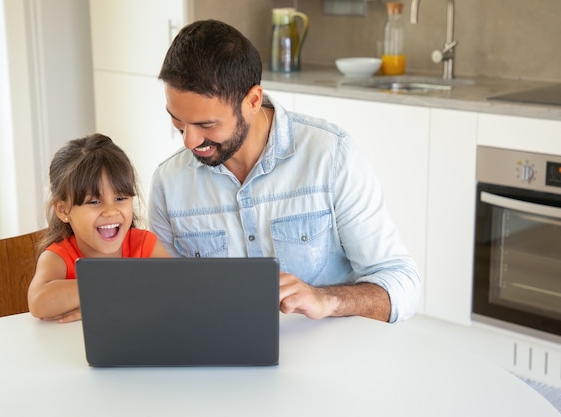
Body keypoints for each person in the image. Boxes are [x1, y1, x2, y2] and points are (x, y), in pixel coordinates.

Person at [149, 19, 421, 323]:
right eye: (178, 122)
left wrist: (327, 300)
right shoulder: (168, 182)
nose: (189, 141)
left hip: (328, 358)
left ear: (252, 101)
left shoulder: (330, 156)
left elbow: (403, 283)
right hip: (221, 358)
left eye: (206, 125)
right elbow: (163, 293)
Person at [28, 134, 170, 323]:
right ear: (63, 210)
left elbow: (173, 289)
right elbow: (39, 302)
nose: (110, 211)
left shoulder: (144, 244)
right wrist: (114, 289)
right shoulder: (59, 257)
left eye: (120, 199)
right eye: (94, 201)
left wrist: (101, 301)